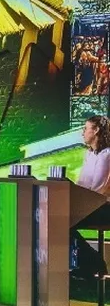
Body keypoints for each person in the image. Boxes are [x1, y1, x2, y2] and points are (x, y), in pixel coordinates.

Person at [71, 115, 110, 279]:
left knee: (61, 221)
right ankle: (91, 261)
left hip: (103, 209)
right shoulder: (89, 154)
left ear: (96, 130)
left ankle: (92, 262)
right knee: (57, 220)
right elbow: (82, 183)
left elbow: (97, 190)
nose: (83, 133)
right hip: (89, 205)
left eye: (86, 128)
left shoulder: (107, 156)